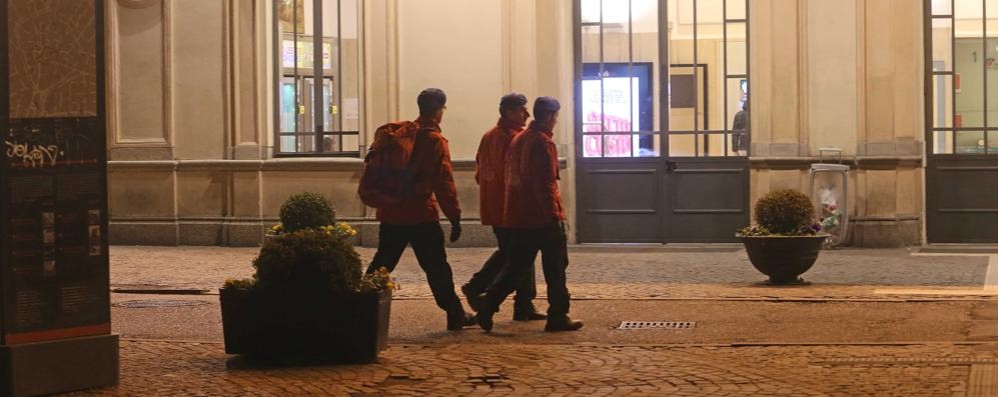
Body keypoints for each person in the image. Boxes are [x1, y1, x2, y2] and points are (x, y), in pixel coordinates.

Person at [366, 88, 476, 331]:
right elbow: (444, 183)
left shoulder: (401, 134)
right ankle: (455, 313)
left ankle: (360, 306)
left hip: (391, 212)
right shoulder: (434, 140)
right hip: (420, 215)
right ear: (439, 111)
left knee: (382, 262)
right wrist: (455, 218)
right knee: (437, 266)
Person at [476, 96, 583, 333]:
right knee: (555, 267)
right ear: (549, 116)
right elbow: (545, 185)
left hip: (518, 216)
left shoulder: (519, 139)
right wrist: (554, 216)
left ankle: (488, 302)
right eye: (555, 116)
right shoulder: (543, 143)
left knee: (516, 267)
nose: (556, 121)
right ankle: (558, 315)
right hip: (541, 217)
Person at [461, 93, 546, 322]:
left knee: (515, 253)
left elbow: (479, 172)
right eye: (521, 109)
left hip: (494, 206)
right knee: (517, 254)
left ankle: (523, 303)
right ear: (509, 112)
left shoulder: (489, 136)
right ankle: (478, 286)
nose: (527, 114)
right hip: (510, 207)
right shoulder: (515, 138)